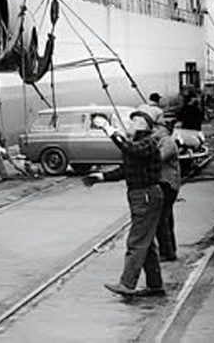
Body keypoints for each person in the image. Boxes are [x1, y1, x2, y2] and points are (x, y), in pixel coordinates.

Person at [83, 110, 165, 299]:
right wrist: (102, 177)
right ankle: (155, 286)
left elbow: (130, 150)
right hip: (142, 195)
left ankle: (127, 284)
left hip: (146, 195)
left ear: (143, 124)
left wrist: (108, 128)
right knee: (146, 243)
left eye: (134, 121)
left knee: (136, 241)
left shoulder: (148, 143)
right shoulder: (137, 144)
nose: (129, 123)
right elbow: (126, 170)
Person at [143, 104, 181, 262]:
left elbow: (158, 158)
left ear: (164, 129)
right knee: (166, 218)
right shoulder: (161, 141)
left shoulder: (167, 143)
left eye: (156, 129)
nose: (153, 132)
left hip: (168, 184)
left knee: (161, 220)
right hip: (165, 183)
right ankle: (170, 249)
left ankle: (167, 252)